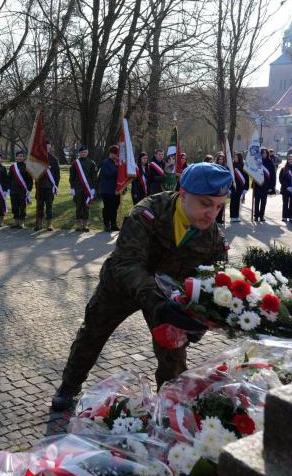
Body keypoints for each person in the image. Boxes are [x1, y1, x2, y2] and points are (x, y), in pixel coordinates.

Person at [51, 163, 232, 411]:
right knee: (92, 334)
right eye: (205, 203)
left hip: (169, 300)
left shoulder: (213, 237)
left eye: (219, 206)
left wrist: (200, 319)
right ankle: (69, 386)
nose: (212, 213)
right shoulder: (148, 213)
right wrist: (160, 304)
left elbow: (214, 282)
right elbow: (127, 263)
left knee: (173, 355)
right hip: (121, 287)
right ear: (183, 193)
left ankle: (170, 405)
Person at [70, 145, 97, 232]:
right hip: (77, 188)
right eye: (81, 152)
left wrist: (93, 188)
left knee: (86, 207)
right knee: (78, 207)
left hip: (87, 189)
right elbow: (72, 177)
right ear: (79, 153)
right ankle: (79, 225)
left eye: (85, 152)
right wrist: (72, 188)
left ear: (87, 152)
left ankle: (85, 226)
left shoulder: (91, 163)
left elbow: (94, 177)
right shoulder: (75, 163)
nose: (83, 153)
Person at [34, 140, 60, 231]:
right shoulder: (38, 159)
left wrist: (55, 186)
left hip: (49, 187)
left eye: (48, 147)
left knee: (49, 206)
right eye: (45, 147)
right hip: (40, 186)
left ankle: (49, 224)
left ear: (50, 148)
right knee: (39, 206)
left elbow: (57, 175)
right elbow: (34, 172)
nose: (46, 149)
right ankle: (39, 224)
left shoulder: (54, 159)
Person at [98, 145, 121, 232]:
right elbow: (108, 174)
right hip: (107, 189)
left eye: (117, 154)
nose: (116, 156)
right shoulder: (105, 162)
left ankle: (114, 224)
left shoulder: (116, 162)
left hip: (116, 189)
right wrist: (118, 170)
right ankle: (106, 224)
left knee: (115, 207)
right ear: (111, 153)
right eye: (115, 154)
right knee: (108, 207)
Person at [8, 150, 33, 228]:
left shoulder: (26, 167)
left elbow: (30, 179)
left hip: (23, 190)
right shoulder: (12, 167)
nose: (19, 157)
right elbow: (9, 178)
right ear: (16, 157)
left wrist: (29, 189)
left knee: (22, 206)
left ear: (23, 157)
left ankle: (22, 222)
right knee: (14, 206)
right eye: (18, 156)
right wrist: (9, 188)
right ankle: (16, 221)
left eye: (21, 156)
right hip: (13, 190)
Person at [252, 148, 274, 222]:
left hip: (266, 185)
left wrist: (271, 186)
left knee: (263, 201)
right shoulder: (257, 162)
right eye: (262, 153)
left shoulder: (270, 162)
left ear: (267, 154)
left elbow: (273, 176)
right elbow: (253, 172)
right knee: (257, 201)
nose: (264, 154)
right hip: (258, 184)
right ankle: (256, 216)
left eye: (265, 153)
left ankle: (261, 216)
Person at [229, 152, 248, 222]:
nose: (235, 158)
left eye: (236, 157)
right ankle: (232, 216)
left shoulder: (243, 166)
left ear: (239, 158)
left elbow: (246, 177)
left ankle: (236, 216)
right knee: (232, 201)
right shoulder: (232, 166)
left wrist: (246, 188)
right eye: (234, 157)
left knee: (237, 201)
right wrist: (229, 188)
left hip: (240, 187)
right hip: (233, 186)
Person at [278, 154, 292, 222]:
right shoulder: (283, 168)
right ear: (287, 160)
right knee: (285, 203)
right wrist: (287, 186)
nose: (290, 160)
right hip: (285, 189)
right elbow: (281, 179)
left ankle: (291, 216)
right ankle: (284, 216)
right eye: (289, 159)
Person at [214, 152, 228, 224]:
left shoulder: (225, 168)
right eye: (219, 159)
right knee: (216, 204)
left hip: (223, 188)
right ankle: (215, 219)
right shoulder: (214, 167)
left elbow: (228, 177)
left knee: (222, 204)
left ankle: (220, 218)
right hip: (216, 187)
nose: (220, 161)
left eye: (222, 159)